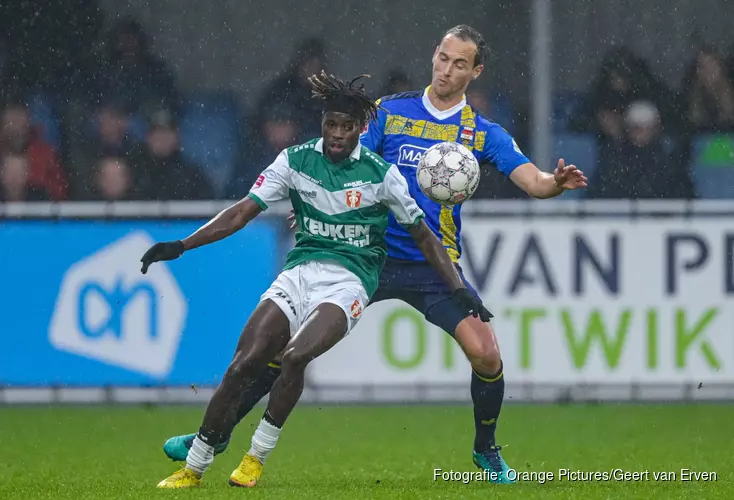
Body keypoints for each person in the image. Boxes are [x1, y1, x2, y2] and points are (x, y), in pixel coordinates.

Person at [162, 25, 588, 486]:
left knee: (486, 353)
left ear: (476, 71)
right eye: (443, 58)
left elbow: (533, 181)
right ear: (434, 55)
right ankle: (216, 435)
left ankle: (486, 450)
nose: (447, 70)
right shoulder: (390, 111)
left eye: (460, 63)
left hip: (432, 261)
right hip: (365, 253)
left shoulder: (482, 133)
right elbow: (345, 165)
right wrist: (315, 203)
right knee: (285, 351)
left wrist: (555, 184)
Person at [147, 72, 491, 489]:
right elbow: (242, 211)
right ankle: (194, 468)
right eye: (332, 125)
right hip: (299, 273)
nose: (338, 134)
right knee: (243, 365)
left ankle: (255, 458)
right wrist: (182, 245)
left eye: (347, 127)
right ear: (323, 124)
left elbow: (423, 235)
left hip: (350, 281)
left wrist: (457, 288)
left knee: (294, 357)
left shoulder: (382, 175)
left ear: (361, 130)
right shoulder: (294, 161)